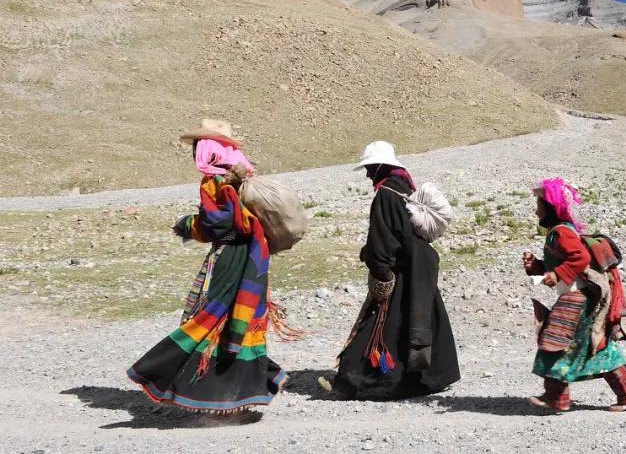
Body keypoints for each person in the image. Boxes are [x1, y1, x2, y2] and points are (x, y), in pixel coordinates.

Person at [127, 119, 291, 414]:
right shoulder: (242, 176)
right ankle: (240, 394)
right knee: (238, 318)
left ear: (207, 150)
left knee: (212, 315)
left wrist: (188, 225)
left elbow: (217, 224)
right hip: (252, 257)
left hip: (229, 257)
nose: (193, 154)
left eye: (196, 148)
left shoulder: (214, 181)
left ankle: (208, 392)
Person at [328, 140, 460, 399]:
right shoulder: (404, 188)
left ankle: (356, 381)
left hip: (401, 268)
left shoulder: (385, 195)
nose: (367, 174)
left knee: (381, 325)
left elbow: (383, 240)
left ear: (380, 167)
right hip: (421, 265)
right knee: (421, 317)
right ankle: (431, 377)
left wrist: (381, 272)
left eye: (370, 168)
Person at [523, 177, 626, 413]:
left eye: (539, 204)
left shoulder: (561, 233)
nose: (536, 209)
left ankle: (556, 397)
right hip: (578, 297)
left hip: (575, 299)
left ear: (551, 208)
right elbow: (565, 263)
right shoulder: (557, 233)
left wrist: (558, 275)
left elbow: (581, 258)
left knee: (555, 342)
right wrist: (537, 267)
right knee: (593, 345)